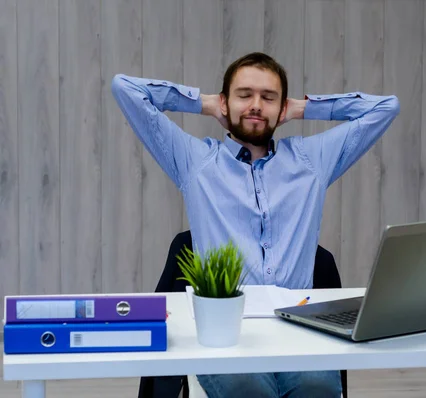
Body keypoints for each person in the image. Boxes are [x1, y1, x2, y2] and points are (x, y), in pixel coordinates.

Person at [111, 52, 399, 398]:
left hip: (299, 333)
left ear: (281, 108)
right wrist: (204, 104)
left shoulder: (311, 162)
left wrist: (304, 108)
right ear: (225, 102)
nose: (256, 106)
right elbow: (124, 88)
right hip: (229, 332)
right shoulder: (196, 162)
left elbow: (386, 108)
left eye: (268, 98)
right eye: (244, 95)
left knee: (318, 387)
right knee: (250, 389)